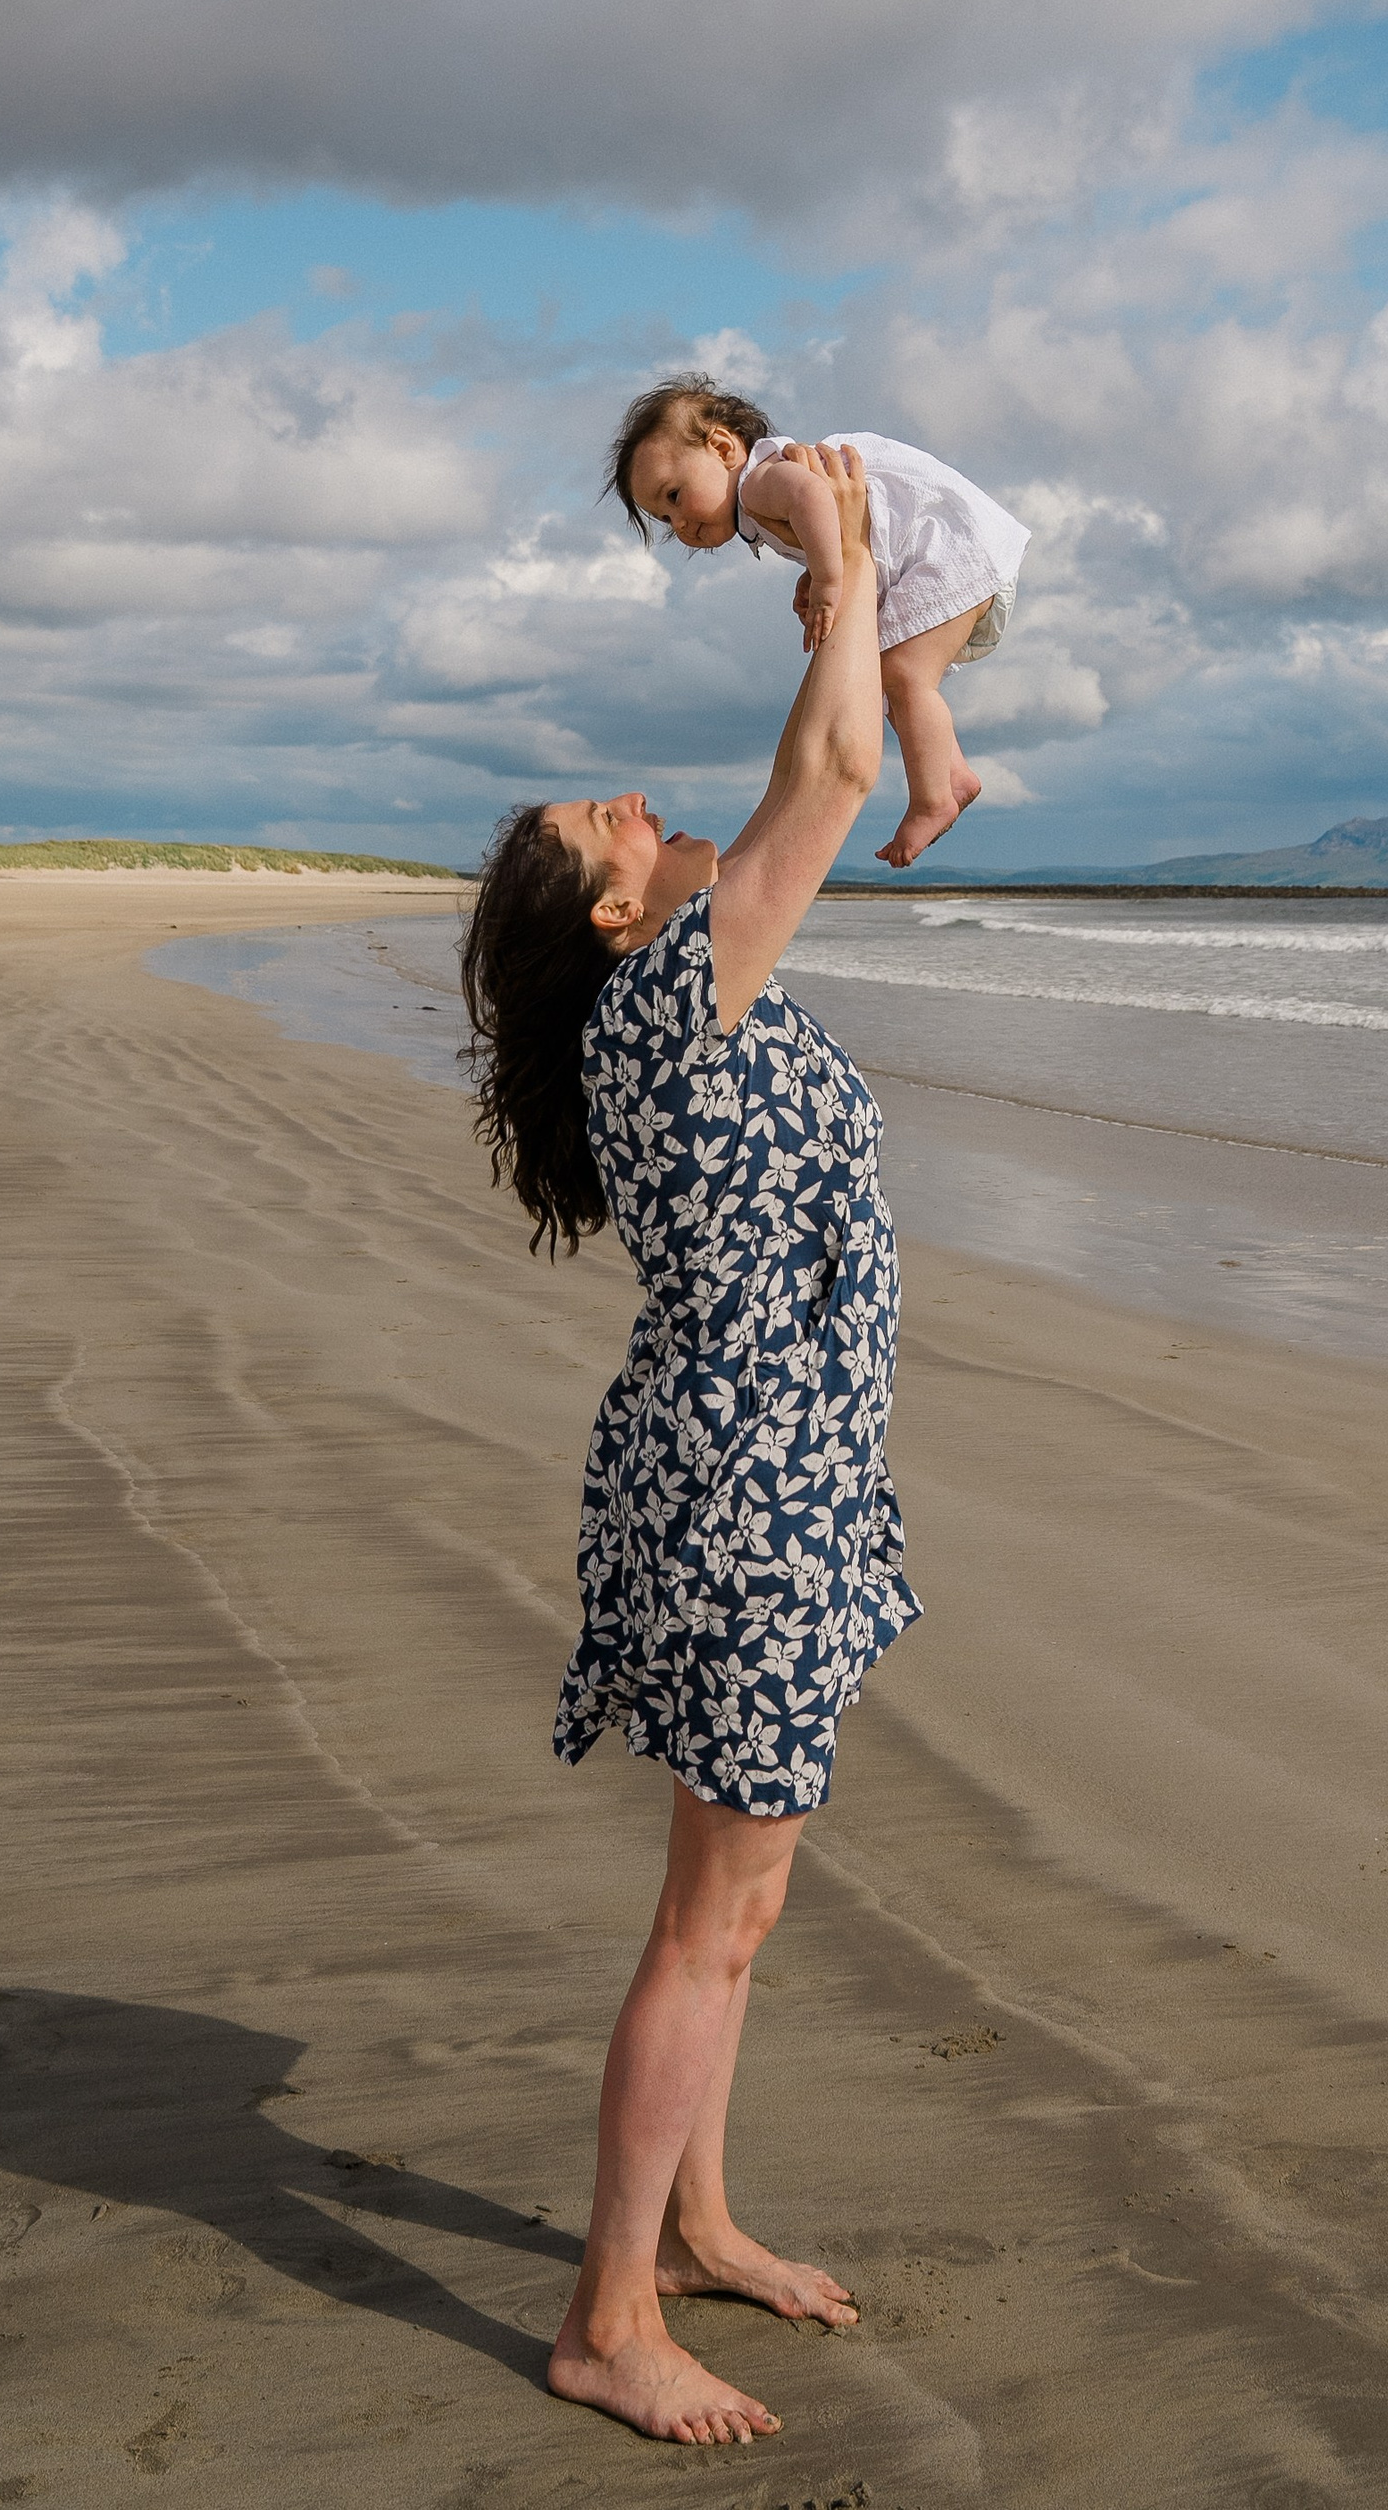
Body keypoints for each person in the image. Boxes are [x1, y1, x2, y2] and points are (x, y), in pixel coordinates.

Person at [459, 442, 918, 2448]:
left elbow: (819, 773)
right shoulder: (667, 1004)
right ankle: (604, 2316)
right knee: (704, 1930)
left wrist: (841, 615)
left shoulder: (667, 998)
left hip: (758, 1471)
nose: (639, 806)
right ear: (616, 908)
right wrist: (848, 548)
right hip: (749, 1488)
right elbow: (822, 786)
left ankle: (703, 2220)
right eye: (608, 821)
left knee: (741, 1910)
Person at [607, 375, 1031, 870]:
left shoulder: (760, 481)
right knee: (886, 677)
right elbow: (830, 519)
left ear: (722, 448)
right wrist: (816, 568)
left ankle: (933, 796)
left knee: (901, 673)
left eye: (674, 496)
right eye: (663, 518)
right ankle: (951, 771)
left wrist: (831, 580)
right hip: (951, 551)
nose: (678, 525)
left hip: (953, 549)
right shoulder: (759, 496)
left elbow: (812, 497)